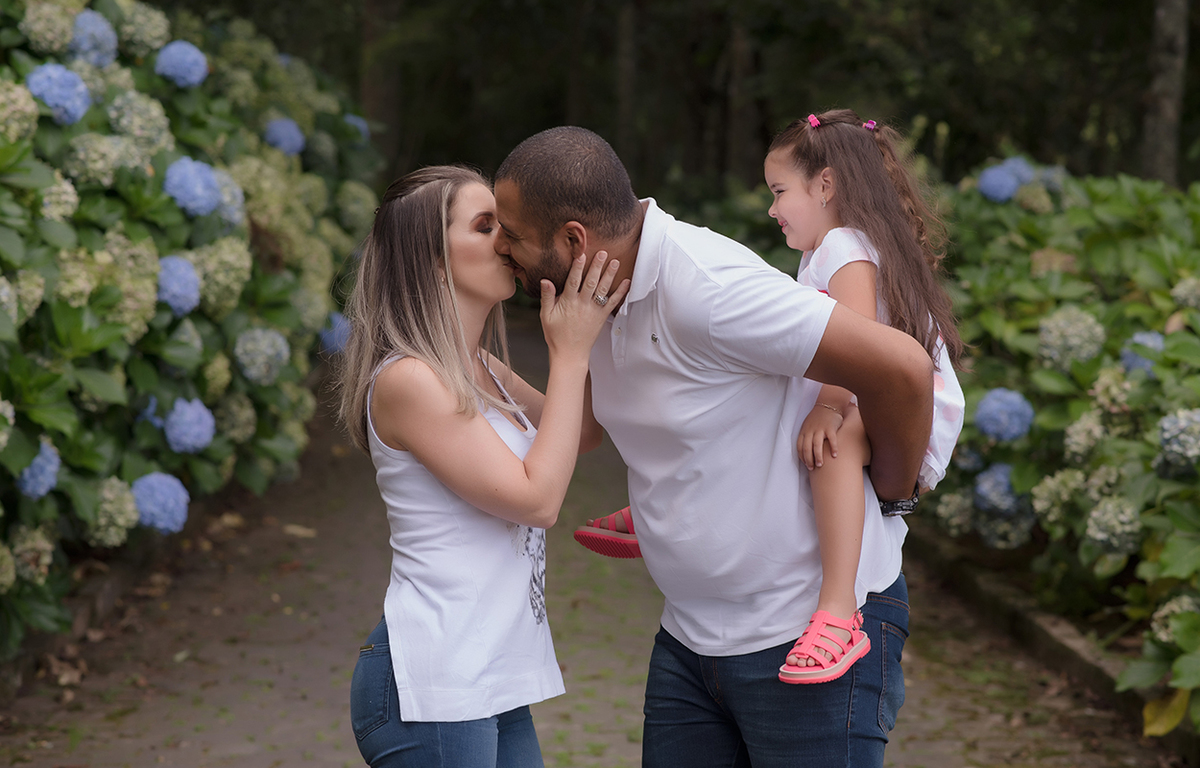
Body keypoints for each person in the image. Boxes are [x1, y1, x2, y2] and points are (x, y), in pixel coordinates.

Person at [494, 127, 933, 767]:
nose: (501, 246)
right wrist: (491, 374)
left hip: (800, 635)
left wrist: (893, 488)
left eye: (511, 232)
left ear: (573, 240)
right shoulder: (591, 299)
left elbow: (902, 368)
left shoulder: (709, 289)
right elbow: (582, 429)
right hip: (689, 641)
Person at [574, 110, 966, 687]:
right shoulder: (833, 249)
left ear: (825, 185)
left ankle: (836, 612)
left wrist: (832, 409)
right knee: (777, 399)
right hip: (866, 392)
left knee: (828, 443)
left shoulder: (843, 247)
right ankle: (679, 511)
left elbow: (864, 347)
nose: (772, 208)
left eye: (780, 191)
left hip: (900, 404)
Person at [337, 165, 629, 768]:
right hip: (435, 685)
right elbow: (538, 500)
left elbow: (583, 432)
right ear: (433, 262)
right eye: (485, 225)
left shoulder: (486, 369)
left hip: (490, 673)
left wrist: (592, 318)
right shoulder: (411, 379)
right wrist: (566, 353)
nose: (507, 239)